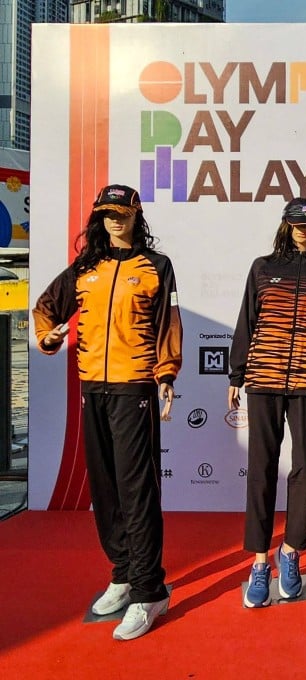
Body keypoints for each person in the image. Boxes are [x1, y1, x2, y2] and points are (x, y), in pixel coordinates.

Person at [33, 184, 181, 640]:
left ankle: (148, 590)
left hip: (134, 386)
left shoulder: (157, 266)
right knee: (105, 489)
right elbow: (45, 311)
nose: (115, 221)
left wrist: (167, 375)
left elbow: (168, 325)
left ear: (137, 215)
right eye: (107, 214)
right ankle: (122, 574)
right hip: (91, 388)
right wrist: (49, 338)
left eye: (122, 213)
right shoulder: (85, 268)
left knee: (137, 491)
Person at [228, 198, 306, 608]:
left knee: (303, 469)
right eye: (297, 222)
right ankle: (260, 562)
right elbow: (247, 319)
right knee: (261, 469)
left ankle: (291, 553)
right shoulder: (262, 267)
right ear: (285, 225)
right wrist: (236, 373)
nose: (303, 228)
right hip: (263, 378)